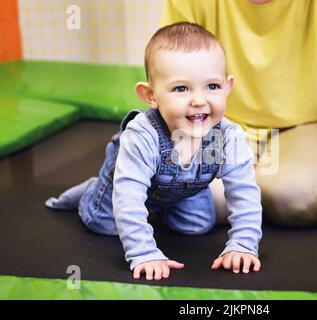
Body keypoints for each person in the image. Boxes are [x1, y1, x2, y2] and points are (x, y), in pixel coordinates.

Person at [45, 22, 262, 281]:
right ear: (150, 95)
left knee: (198, 226)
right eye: (181, 88)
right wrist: (145, 253)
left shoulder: (229, 137)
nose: (199, 100)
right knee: (103, 224)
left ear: (228, 87)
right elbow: (129, 199)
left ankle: (157, 208)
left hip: (179, 193)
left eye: (212, 86)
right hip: (126, 187)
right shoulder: (142, 135)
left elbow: (245, 193)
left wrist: (244, 245)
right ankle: (94, 191)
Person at [161, 0, 317, 232]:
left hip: (313, 125)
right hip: (219, 125)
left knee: (295, 195)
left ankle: (249, 193)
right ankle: (246, 193)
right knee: (185, 192)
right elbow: (171, 80)